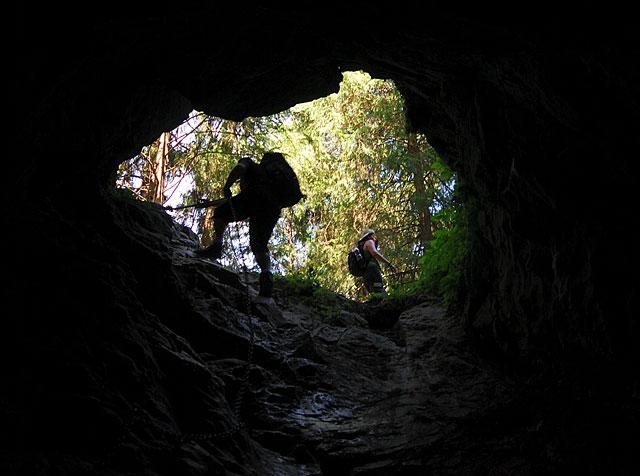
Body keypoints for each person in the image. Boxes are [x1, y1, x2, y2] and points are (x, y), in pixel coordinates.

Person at [197, 153, 293, 299]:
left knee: (220, 213)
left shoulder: (249, 164)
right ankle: (266, 276)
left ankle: (217, 245)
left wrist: (227, 185)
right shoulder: (271, 182)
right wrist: (208, 203)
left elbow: (239, 171)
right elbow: (232, 202)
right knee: (259, 245)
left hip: (252, 200)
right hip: (271, 208)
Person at [358, 228, 396, 295]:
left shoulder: (362, 246)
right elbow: (375, 253)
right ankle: (384, 301)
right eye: (373, 235)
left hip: (365, 271)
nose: (375, 237)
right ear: (369, 236)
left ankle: (377, 301)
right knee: (378, 286)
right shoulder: (369, 241)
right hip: (372, 269)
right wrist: (389, 263)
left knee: (372, 289)